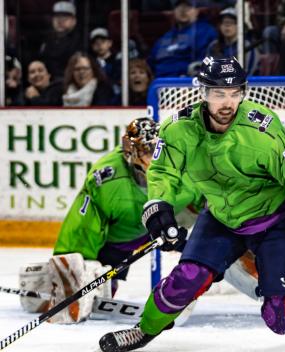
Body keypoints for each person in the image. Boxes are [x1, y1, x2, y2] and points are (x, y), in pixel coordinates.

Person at [98, 56, 285, 352]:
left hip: (274, 222)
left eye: (235, 93)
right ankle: (144, 329)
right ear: (203, 93)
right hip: (222, 218)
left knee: (281, 318)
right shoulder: (178, 128)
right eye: (218, 94)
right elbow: (162, 170)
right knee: (186, 279)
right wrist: (158, 204)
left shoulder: (263, 128)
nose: (227, 102)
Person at [18, 118, 203, 323]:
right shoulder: (109, 179)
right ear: (131, 151)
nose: (156, 158)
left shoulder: (188, 169)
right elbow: (83, 227)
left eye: (160, 150)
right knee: (100, 283)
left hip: (170, 222)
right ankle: (54, 280)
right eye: (148, 151)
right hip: (120, 239)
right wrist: (70, 267)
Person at [148, 0, 218, 77]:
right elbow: (151, 62)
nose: (183, 10)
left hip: (187, 82)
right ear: (173, 11)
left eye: (188, 6)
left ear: (196, 11)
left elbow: (210, 59)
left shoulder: (206, 31)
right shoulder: (165, 37)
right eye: (179, 6)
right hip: (159, 82)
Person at [205, 7, 260, 76]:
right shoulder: (213, 46)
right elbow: (206, 69)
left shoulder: (248, 46)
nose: (227, 25)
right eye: (224, 22)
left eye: (231, 22)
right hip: (216, 85)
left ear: (240, 26)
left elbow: (248, 74)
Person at [39, 1, 83, 80]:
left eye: (65, 17)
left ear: (74, 21)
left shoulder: (80, 41)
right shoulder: (47, 39)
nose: (60, 21)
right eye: (57, 17)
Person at [89, 28, 122, 96]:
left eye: (103, 42)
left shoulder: (119, 61)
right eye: (96, 43)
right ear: (92, 46)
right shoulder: (90, 63)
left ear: (110, 43)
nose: (99, 45)